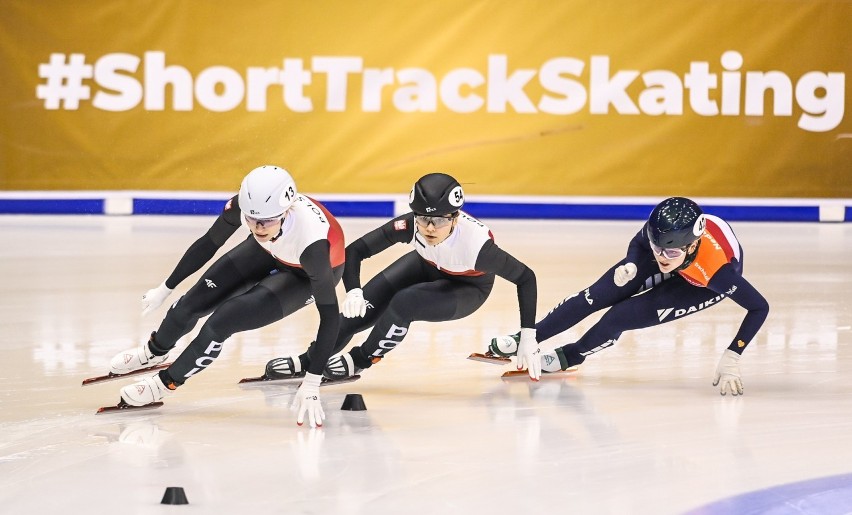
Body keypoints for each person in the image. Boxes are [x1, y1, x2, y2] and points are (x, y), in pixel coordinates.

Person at [109, 165, 344, 427]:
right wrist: (166, 287)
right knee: (191, 303)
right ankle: (155, 351)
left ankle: (166, 382)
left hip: (304, 276)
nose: (257, 226)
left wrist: (312, 381)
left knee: (222, 321)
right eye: (252, 219)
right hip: (268, 250)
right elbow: (209, 242)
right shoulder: (243, 211)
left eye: (266, 220)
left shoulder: (313, 245)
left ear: (286, 211)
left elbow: (331, 317)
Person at [263, 172, 543, 382]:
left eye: (441, 221)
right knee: (355, 314)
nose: (430, 228)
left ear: (455, 218)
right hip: (426, 264)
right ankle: (310, 360)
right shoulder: (410, 225)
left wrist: (528, 334)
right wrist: (354, 291)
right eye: (423, 219)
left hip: (468, 287)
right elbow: (356, 250)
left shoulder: (478, 248)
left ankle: (362, 358)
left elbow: (526, 277)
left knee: (404, 303)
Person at [488, 196, 769, 396]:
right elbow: (640, 243)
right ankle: (526, 338)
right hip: (676, 255)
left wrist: (734, 354)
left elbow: (759, 307)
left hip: (698, 283)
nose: (662, 257)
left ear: (693, 244)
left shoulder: (717, 273)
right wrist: (633, 261)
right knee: (595, 295)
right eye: (658, 248)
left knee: (620, 317)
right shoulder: (660, 234)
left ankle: (571, 355)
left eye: (670, 252)